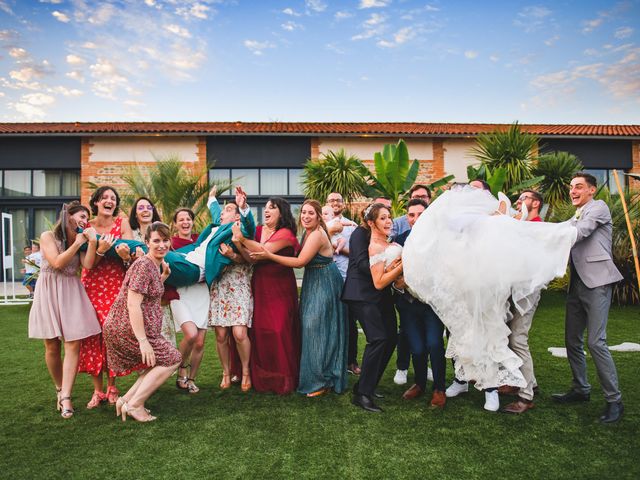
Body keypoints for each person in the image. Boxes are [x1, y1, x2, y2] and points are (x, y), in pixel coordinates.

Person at [403, 184, 577, 411]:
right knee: (461, 337)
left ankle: (493, 391)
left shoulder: (496, 219)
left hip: (490, 295)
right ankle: (462, 381)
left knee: (491, 339)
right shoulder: (455, 221)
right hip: (463, 293)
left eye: (475, 188)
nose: (468, 191)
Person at [250, 199, 348, 397]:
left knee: (315, 328)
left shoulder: (317, 234)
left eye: (311, 213)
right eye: (303, 212)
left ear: (319, 216)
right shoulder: (309, 232)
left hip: (325, 281)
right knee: (313, 328)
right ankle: (320, 376)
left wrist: (269, 255)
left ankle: (322, 380)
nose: (306, 216)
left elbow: (300, 262)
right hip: (314, 280)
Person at [552, 173, 624, 423]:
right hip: (577, 284)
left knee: (595, 342)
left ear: (592, 190)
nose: (573, 191)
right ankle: (581, 389)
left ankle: (614, 401)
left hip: (598, 282)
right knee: (572, 340)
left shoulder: (598, 208)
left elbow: (580, 232)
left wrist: (551, 235)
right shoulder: (575, 214)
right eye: (571, 187)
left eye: (579, 187)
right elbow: (566, 229)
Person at [28, 202, 103, 418]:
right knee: (51, 345)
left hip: (71, 290)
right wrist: (78, 242)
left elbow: (88, 265)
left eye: (86, 218)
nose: (83, 221)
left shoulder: (79, 241)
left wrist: (91, 243)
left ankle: (67, 396)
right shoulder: (48, 237)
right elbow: (57, 262)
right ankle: (60, 389)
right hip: (49, 289)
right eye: (80, 216)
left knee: (73, 343)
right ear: (67, 216)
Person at [103, 222, 182, 422]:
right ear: (147, 242)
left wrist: (162, 278)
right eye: (156, 241)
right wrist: (143, 341)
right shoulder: (144, 265)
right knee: (172, 358)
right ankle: (136, 405)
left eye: (165, 240)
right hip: (128, 328)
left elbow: (149, 294)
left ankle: (126, 400)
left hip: (133, 327)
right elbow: (133, 304)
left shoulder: (152, 266)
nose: (162, 245)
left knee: (156, 362)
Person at [232, 197, 301, 395]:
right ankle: (262, 376)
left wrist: (243, 240)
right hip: (260, 284)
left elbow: (264, 251)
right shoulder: (260, 231)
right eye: (267, 207)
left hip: (280, 287)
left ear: (282, 212)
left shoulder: (286, 233)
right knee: (261, 330)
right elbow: (251, 258)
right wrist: (239, 246)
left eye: (273, 207)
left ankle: (283, 377)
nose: (267, 210)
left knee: (279, 329)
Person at [343, 202, 402, 413]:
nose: (387, 220)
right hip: (361, 293)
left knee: (391, 338)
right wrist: (388, 271)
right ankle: (362, 395)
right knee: (377, 338)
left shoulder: (385, 238)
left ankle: (367, 384)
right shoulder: (360, 234)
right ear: (371, 219)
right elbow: (360, 264)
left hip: (381, 294)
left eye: (389, 216)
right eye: (382, 215)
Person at [78, 185, 133, 409]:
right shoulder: (86, 227)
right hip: (91, 285)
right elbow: (87, 265)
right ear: (96, 203)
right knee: (92, 335)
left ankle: (112, 386)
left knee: (111, 332)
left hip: (115, 284)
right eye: (104, 198)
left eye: (113, 198)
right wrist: (99, 249)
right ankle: (97, 390)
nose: (109, 201)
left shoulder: (123, 223)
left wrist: (125, 254)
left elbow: (131, 251)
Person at [393, 199, 447, 408]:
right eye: (411, 215)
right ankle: (420, 383)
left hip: (432, 305)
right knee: (416, 348)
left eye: (420, 214)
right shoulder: (400, 240)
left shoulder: (440, 242)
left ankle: (439, 388)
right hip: (407, 304)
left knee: (434, 343)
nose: (415, 219)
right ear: (407, 217)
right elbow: (392, 274)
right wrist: (399, 285)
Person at [501, 190, 544, 414]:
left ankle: (525, 397)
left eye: (524, 198)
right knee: (510, 337)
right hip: (515, 290)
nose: (519, 201)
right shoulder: (520, 223)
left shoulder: (536, 226)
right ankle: (529, 383)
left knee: (518, 339)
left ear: (535, 203)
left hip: (527, 292)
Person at [208, 188, 254, 392]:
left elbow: (250, 227)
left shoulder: (240, 227)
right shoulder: (216, 231)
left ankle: (245, 372)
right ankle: (226, 372)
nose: (222, 212)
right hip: (220, 285)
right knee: (220, 334)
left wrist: (243, 206)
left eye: (228, 209)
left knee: (239, 333)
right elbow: (214, 212)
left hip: (239, 285)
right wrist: (211, 199)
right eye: (222, 210)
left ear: (236, 216)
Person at [390, 185, 432, 386]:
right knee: (405, 331)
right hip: (405, 295)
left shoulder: (437, 235)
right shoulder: (401, 235)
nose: (415, 217)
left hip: (430, 297)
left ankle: (425, 368)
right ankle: (402, 367)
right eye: (415, 197)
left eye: (423, 197)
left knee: (429, 335)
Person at [166, 207, 209, 394]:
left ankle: (191, 378)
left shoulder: (201, 241)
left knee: (199, 341)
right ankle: (181, 367)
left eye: (188, 219)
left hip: (201, 290)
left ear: (192, 221)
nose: (185, 222)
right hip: (180, 293)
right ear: (175, 224)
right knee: (190, 335)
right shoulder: (170, 244)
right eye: (181, 219)